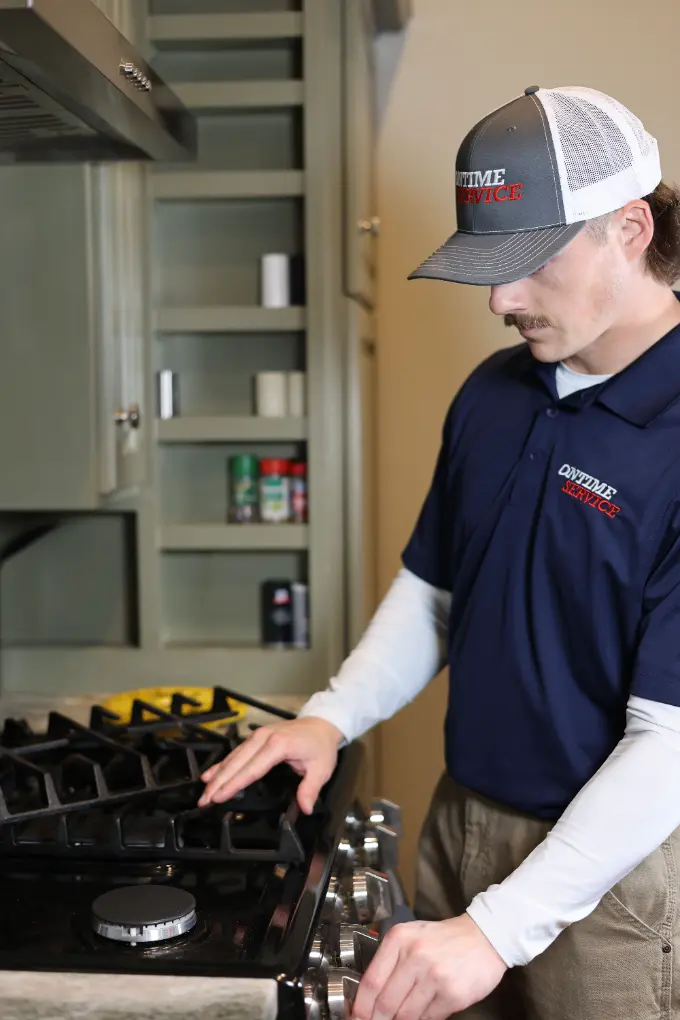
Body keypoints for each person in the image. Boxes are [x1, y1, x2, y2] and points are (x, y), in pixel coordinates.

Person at [199, 85, 680, 1019]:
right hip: (457, 828)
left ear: (627, 229)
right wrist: (330, 720)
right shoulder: (495, 392)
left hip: (609, 874)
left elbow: (672, 745)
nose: (500, 299)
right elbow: (433, 593)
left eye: (529, 264)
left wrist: (499, 929)